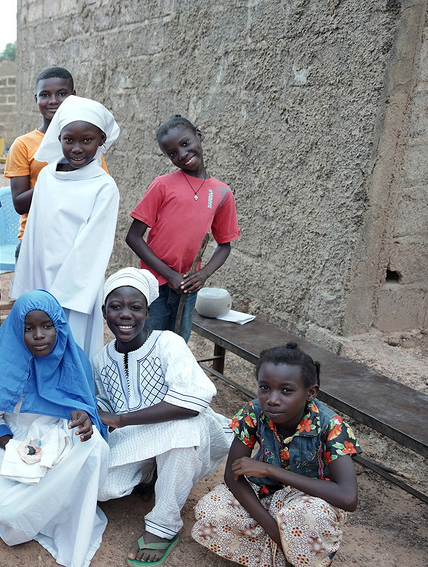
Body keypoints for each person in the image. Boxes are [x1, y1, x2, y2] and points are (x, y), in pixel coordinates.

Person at [93, 267, 232, 567]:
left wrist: (122, 419)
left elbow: (193, 402)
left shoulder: (169, 343)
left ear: (148, 311)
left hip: (187, 433)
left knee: (184, 429)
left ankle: (163, 526)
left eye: (135, 307)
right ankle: (153, 475)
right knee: (101, 488)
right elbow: (103, 409)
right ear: (104, 311)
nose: (125, 315)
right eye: (116, 307)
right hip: (139, 440)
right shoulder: (100, 359)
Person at [0, 290, 109, 567]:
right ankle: (46, 510)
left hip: (59, 437)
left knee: (94, 447)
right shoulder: (5, 362)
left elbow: (84, 407)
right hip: (14, 442)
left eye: (47, 326)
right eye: (29, 328)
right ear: (18, 330)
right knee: (8, 511)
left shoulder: (73, 359)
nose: (38, 335)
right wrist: (14, 448)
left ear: (59, 327)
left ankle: (67, 514)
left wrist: (82, 417)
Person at [192, 343, 360, 567]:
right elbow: (233, 478)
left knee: (305, 516)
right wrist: (273, 530)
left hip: (311, 500)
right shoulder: (253, 412)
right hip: (265, 493)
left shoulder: (332, 426)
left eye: (286, 390)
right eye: (264, 388)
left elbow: (348, 498)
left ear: (311, 392)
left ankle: (300, 553)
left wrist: (270, 469)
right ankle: (289, 553)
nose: (272, 398)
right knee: (212, 508)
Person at [10, 95, 121, 359]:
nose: (77, 148)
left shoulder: (104, 187)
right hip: (41, 279)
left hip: (75, 287)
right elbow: (34, 235)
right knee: (37, 346)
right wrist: (32, 286)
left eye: (87, 140)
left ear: (101, 141)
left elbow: (92, 247)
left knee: (72, 345)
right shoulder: (47, 177)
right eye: (69, 140)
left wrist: (60, 295)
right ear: (58, 138)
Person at [125, 115, 240, 342]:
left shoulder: (222, 193)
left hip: (187, 289)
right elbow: (133, 237)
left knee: (178, 346)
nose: (182, 155)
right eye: (172, 153)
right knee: (146, 343)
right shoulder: (162, 185)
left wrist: (203, 274)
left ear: (199, 135)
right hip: (154, 285)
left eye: (185, 144)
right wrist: (169, 274)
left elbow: (224, 245)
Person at [5, 67, 107, 258]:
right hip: (35, 241)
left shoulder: (87, 145)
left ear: (73, 96)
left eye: (62, 94)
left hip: (77, 240)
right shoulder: (23, 145)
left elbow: (98, 192)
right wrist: (59, 178)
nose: (53, 101)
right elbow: (19, 204)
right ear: (36, 98)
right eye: (45, 95)